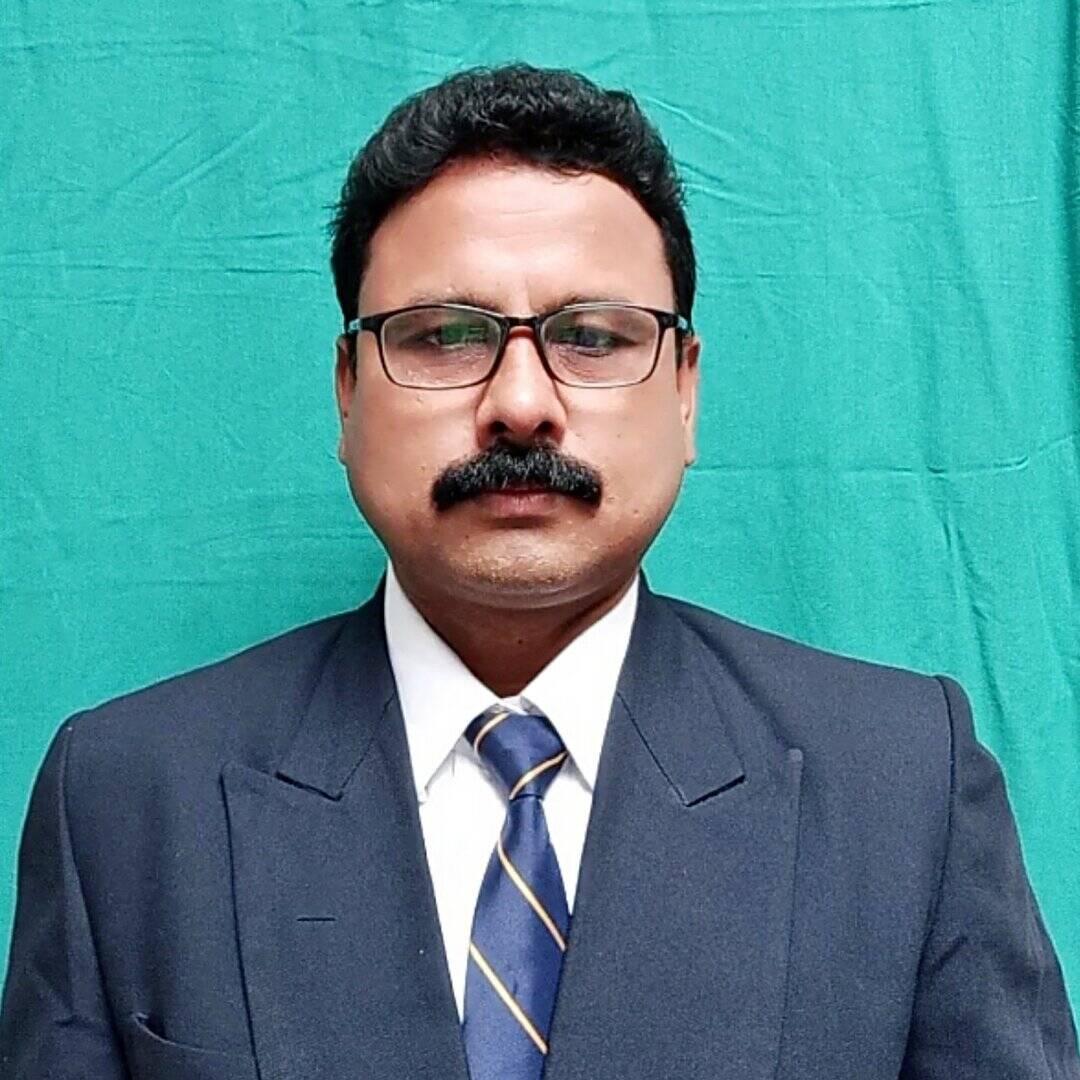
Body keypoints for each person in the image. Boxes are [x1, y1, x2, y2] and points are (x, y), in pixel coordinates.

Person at [1, 63, 1077, 1080]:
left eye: (595, 338)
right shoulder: (128, 797)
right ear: (347, 390)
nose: (520, 404)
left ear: (685, 391)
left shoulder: (903, 786)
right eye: (442, 336)